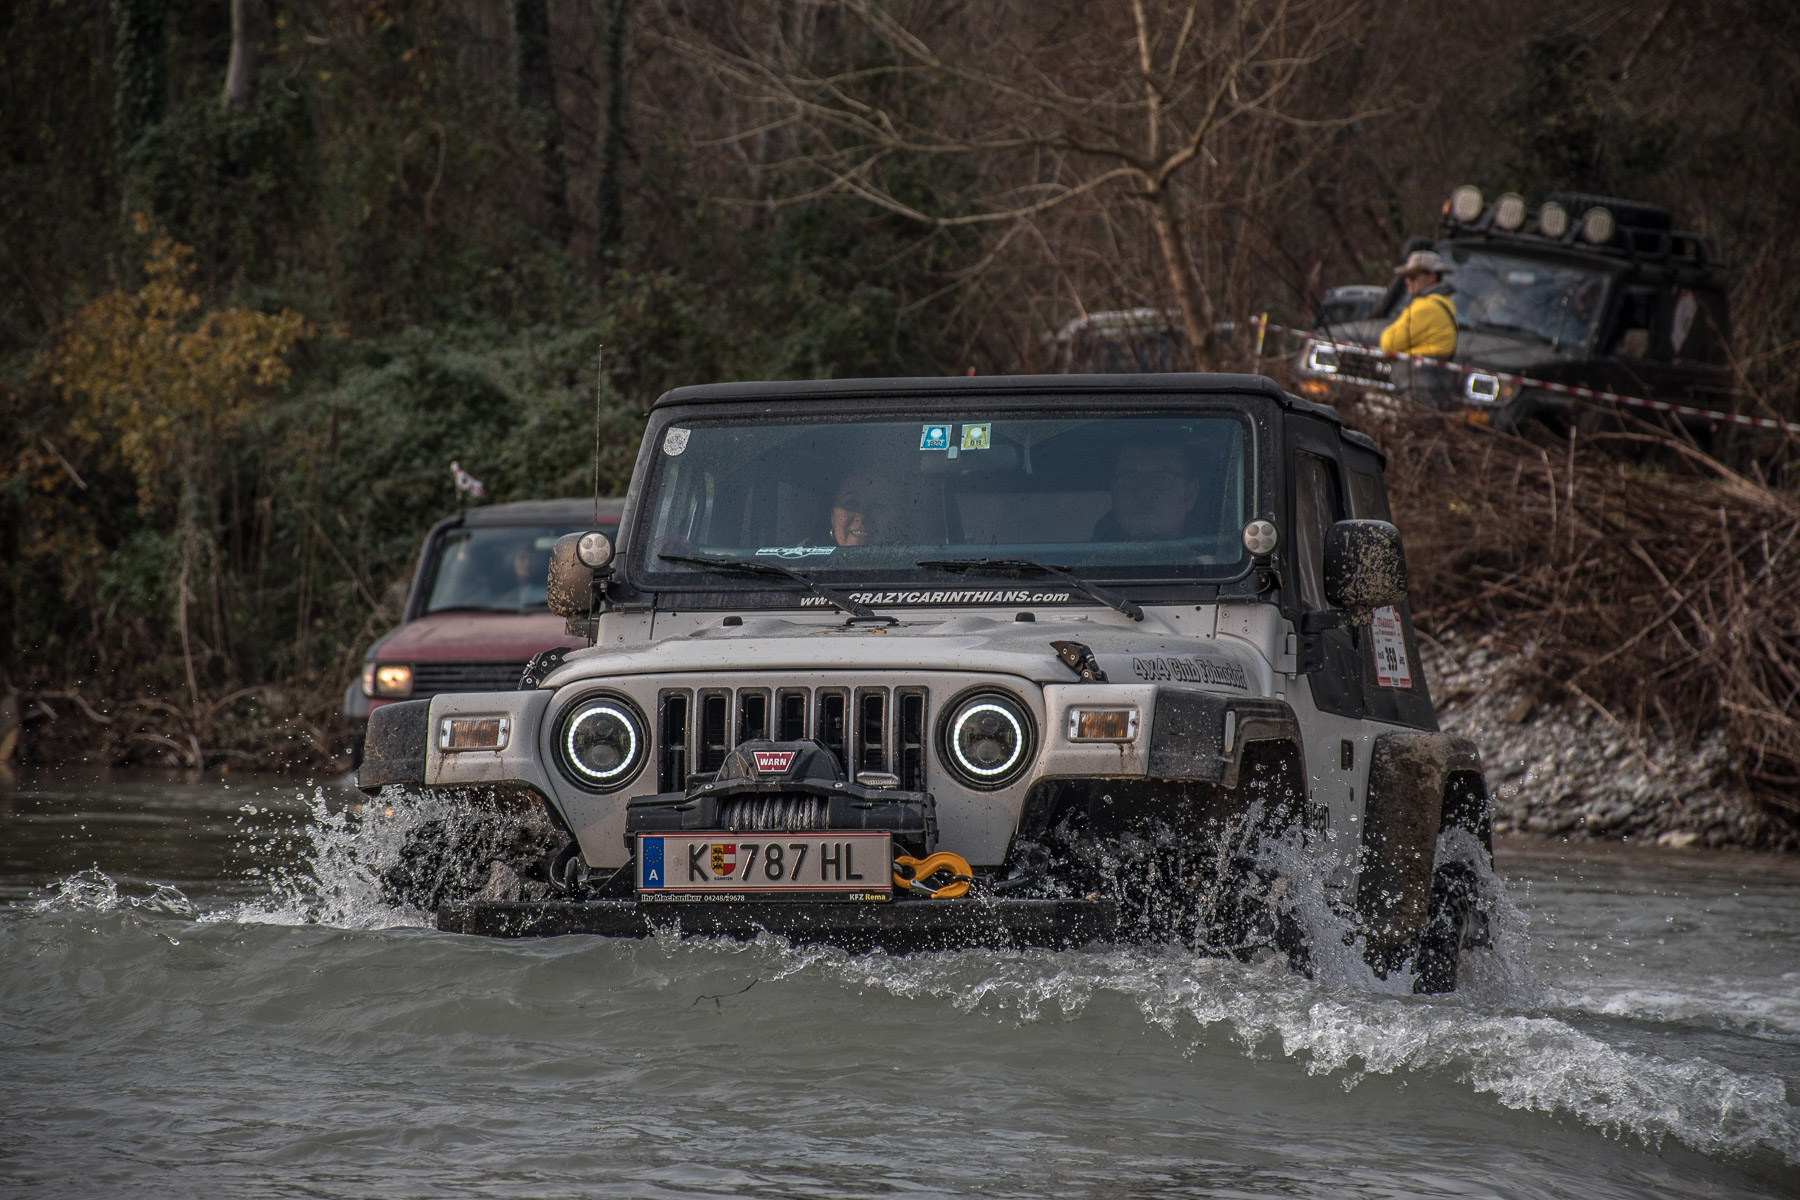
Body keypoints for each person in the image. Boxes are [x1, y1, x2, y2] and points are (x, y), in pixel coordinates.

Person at [1094, 444, 1200, 541]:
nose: (1144, 493)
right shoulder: (1083, 557)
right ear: (1114, 493)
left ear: (1190, 494)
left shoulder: (1213, 554)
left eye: (1162, 479)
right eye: (1130, 479)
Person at [1379, 250, 1458, 360]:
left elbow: (1390, 343)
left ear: (1432, 276)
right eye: (1406, 277)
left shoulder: (1426, 307)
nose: (1407, 281)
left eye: (1412, 276)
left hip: (1417, 372)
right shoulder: (1445, 302)